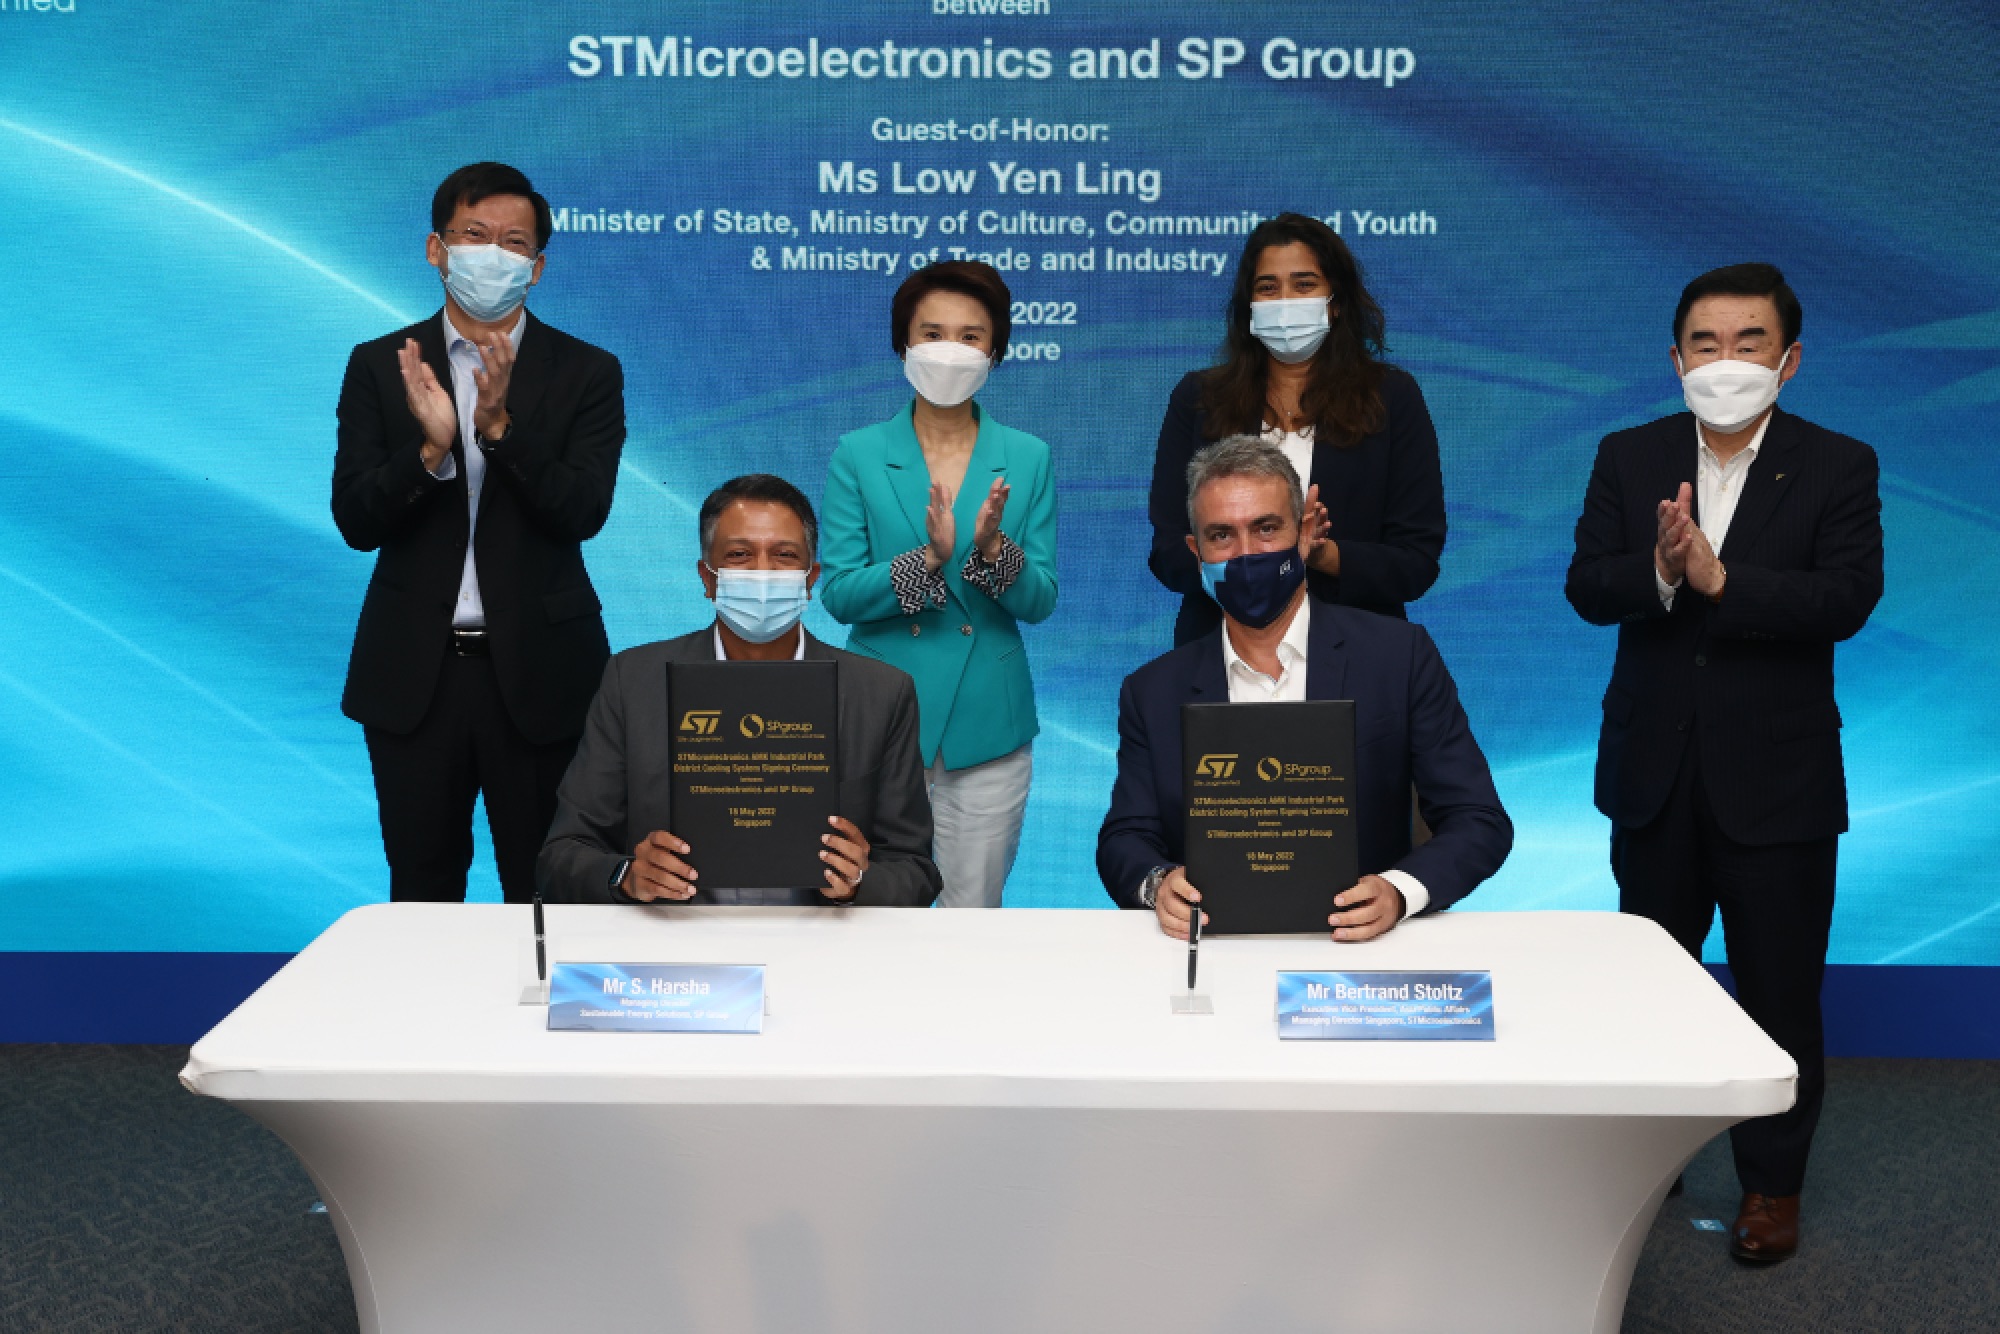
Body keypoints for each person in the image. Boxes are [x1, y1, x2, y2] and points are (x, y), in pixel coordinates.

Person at [1566, 263, 1883, 1265]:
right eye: (1703, 343)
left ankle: (1768, 1187)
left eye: (1747, 342)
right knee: (1650, 988)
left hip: (1777, 783)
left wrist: (1720, 578)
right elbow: (1585, 585)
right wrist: (1660, 572)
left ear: (1786, 359)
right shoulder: (1628, 456)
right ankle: (1644, 1170)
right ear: (1673, 359)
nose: (1724, 360)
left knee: (1778, 991)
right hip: (1652, 775)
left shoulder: (1836, 463)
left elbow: (1842, 600)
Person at [331, 162, 625, 904]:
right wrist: (430, 452)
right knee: (423, 886)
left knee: (553, 886)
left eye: (514, 242)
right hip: (414, 676)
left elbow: (581, 512)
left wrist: (498, 431)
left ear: (538, 267)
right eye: (474, 235)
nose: (492, 254)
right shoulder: (380, 365)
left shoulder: (586, 371)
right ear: (437, 249)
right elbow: (356, 521)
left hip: (542, 672)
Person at [1100, 437, 1510, 939]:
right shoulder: (1152, 690)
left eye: (1266, 528)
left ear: (1306, 533)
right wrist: (1157, 884)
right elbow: (1125, 839)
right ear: (1196, 551)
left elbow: (1478, 820)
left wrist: (1399, 891)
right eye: (1222, 535)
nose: (1246, 554)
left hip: (1363, 948)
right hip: (1213, 945)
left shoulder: (1399, 658)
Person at [538, 475, 942, 907]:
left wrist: (861, 882)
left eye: (784, 555)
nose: (763, 573)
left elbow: (916, 871)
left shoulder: (881, 693)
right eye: (739, 555)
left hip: (821, 945)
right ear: (707, 577)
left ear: (811, 579)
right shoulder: (633, 681)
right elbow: (562, 856)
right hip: (679, 947)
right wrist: (627, 876)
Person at [818, 261, 1058, 908]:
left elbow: (1041, 599)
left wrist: (989, 551)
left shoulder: (1028, 456)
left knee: (970, 917)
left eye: (970, 336)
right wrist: (926, 560)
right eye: (932, 332)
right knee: (861, 911)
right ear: (903, 343)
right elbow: (837, 591)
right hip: (879, 714)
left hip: (987, 724)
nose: (950, 350)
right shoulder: (858, 453)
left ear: (996, 351)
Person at [1148, 213, 1446, 647]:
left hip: (1358, 652)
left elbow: (1415, 561)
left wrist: (1321, 555)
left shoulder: (1391, 398)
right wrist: (1243, 557)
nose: (1285, 301)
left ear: (1336, 300)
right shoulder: (1198, 399)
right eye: (1268, 288)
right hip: (1220, 651)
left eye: (1304, 285)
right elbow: (1169, 553)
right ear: (1248, 305)